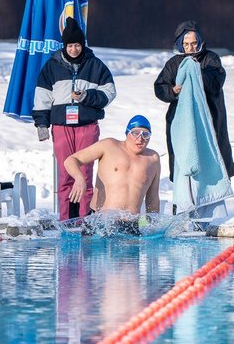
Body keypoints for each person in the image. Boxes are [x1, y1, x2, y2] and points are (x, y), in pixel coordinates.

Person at [32, 16, 116, 220]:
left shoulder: (95, 65)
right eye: (70, 45)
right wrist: (42, 123)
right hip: (61, 126)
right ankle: (67, 219)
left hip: (87, 125)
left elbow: (110, 92)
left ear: (82, 44)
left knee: (85, 172)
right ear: (64, 46)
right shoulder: (51, 67)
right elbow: (42, 96)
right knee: (65, 173)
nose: (74, 49)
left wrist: (87, 96)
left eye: (77, 45)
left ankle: (85, 218)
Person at [154, 21, 234, 185]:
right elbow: (159, 87)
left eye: (193, 43)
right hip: (182, 121)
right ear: (180, 44)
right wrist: (173, 91)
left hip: (209, 119)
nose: (190, 48)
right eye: (185, 44)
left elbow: (216, 83)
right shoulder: (174, 63)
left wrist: (196, 71)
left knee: (210, 159)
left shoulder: (211, 59)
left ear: (200, 42)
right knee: (184, 159)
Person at [63, 115, 161, 216]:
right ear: (127, 133)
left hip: (131, 224)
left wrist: (153, 225)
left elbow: (152, 198)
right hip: (100, 219)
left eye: (145, 134)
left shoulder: (153, 159)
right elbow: (71, 160)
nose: (140, 139)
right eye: (135, 133)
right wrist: (79, 179)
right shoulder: (109, 146)